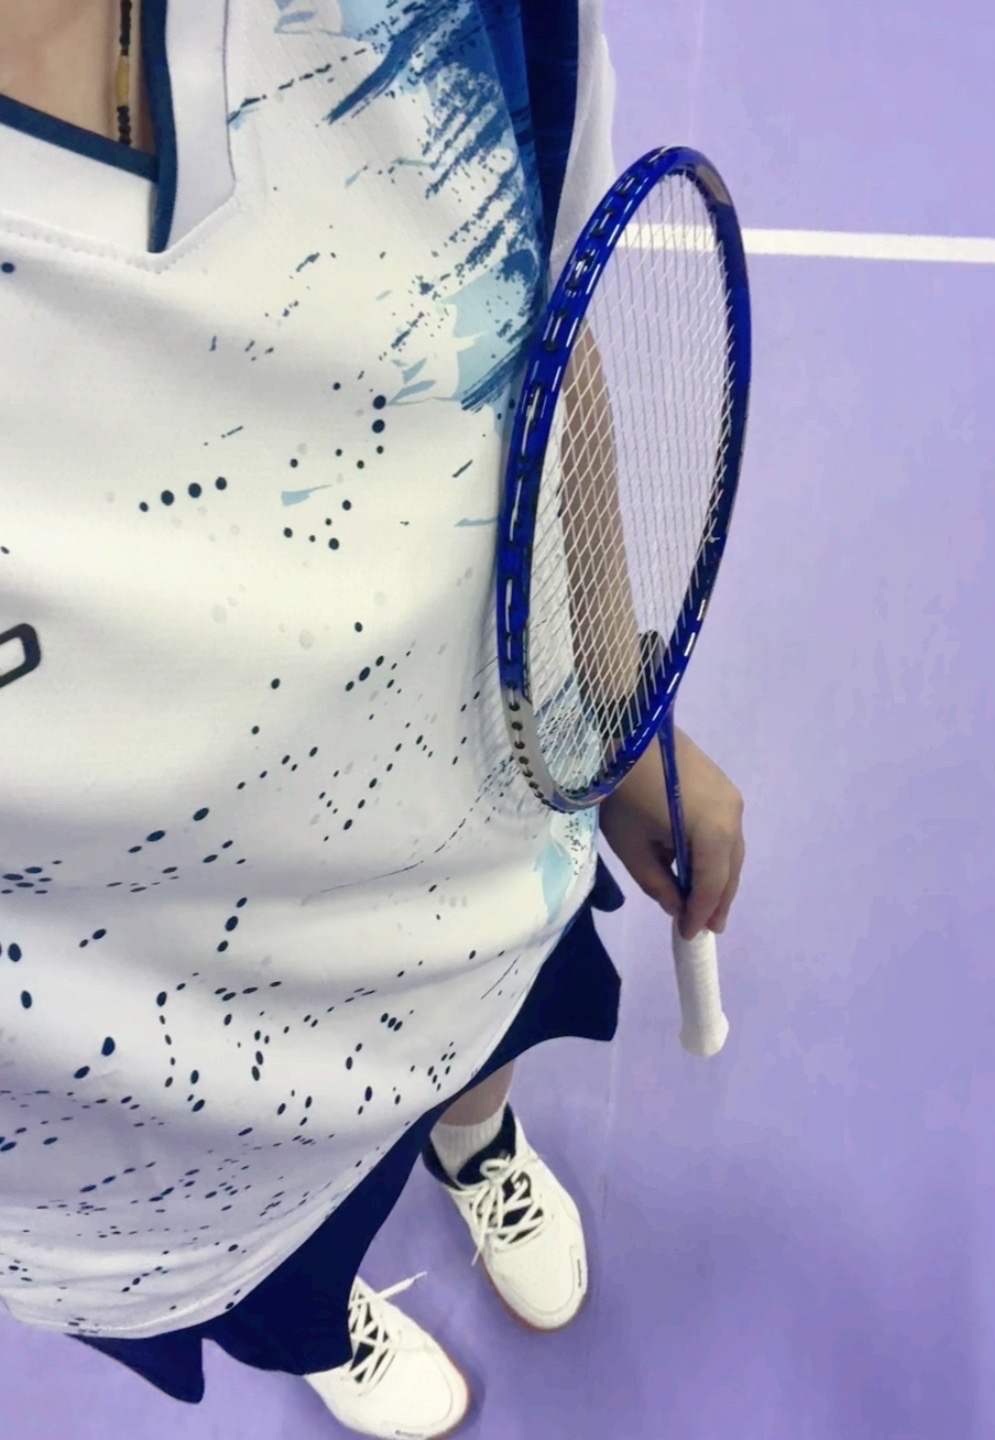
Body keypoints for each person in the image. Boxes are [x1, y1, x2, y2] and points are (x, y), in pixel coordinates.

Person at [0, 1, 746, 1435]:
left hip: (478, 863)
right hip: (164, 1145)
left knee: (482, 1057)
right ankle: (321, 1315)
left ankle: (477, 1145)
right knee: (280, 1277)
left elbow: (535, 330)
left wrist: (611, 709)